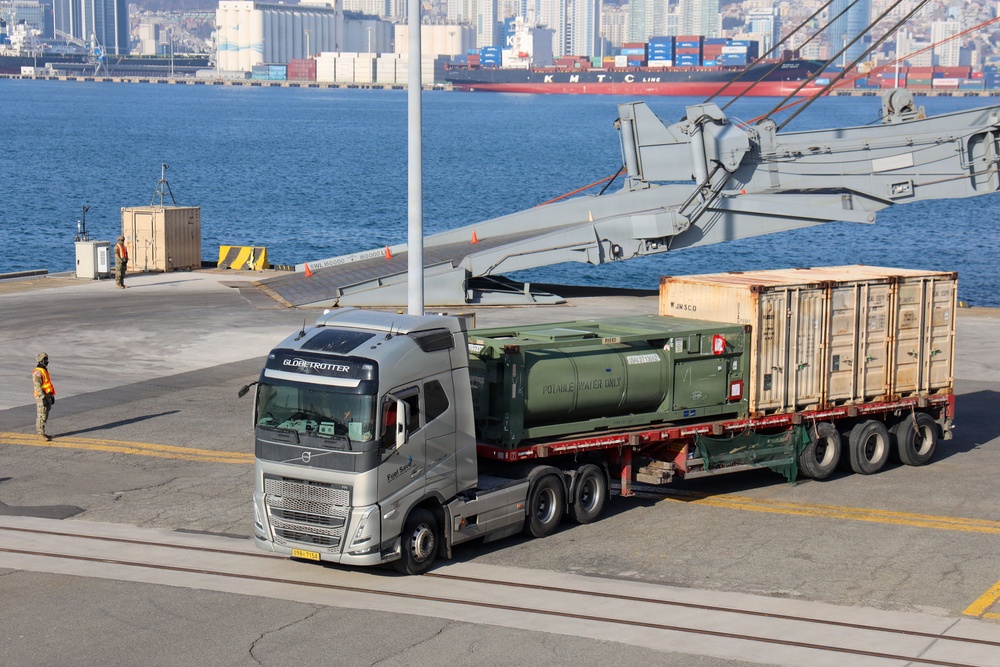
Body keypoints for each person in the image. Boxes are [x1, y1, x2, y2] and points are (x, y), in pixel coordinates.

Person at [32, 353, 55, 441]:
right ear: (41, 361)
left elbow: (48, 384)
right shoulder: (38, 372)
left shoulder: (44, 370)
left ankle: (43, 432)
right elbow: (37, 386)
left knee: (45, 414)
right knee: (41, 415)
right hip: (42, 396)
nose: (47, 361)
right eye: (45, 360)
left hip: (47, 395)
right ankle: (40, 434)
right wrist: (43, 398)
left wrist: (51, 395)